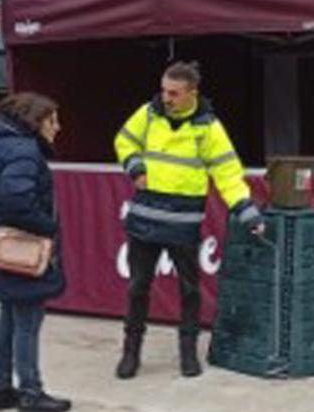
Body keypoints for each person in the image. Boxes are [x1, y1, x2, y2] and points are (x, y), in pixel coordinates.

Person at [113, 61, 263, 379]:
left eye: (174, 93)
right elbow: (124, 141)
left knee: (190, 290)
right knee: (138, 287)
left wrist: (246, 211)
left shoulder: (208, 127)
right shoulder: (148, 113)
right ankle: (130, 354)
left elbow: (227, 172)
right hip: (146, 218)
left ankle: (188, 354)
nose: (166, 98)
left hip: (183, 223)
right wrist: (135, 167)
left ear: (192, 93)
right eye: (164, 90)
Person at [0, 92, 71, 412]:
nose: (58, 127)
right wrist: (49, 228)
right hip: (24, 250)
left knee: (8, 318)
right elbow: (16, 201)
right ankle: (31, 394)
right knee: (28, 321)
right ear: (36, 120)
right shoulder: (25, 151)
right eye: (53, 120)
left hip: (2, 248)